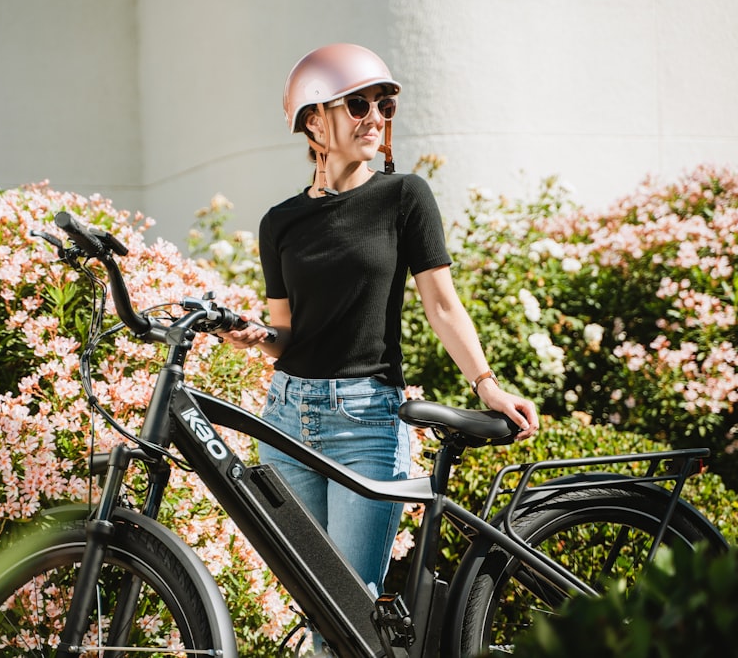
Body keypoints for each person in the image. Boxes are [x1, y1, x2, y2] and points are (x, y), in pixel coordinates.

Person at [225, 42, 539, 601]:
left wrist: (486, 385)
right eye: (358, 105)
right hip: (285, 417)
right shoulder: (280, 223)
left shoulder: (403, 196)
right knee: (314, 607)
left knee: (351, 603)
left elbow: (442, 305)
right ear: (313, 119)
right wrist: (254, 337)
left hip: (365, 421)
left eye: (383, 105)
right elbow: (286, 335)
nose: (375, 118)